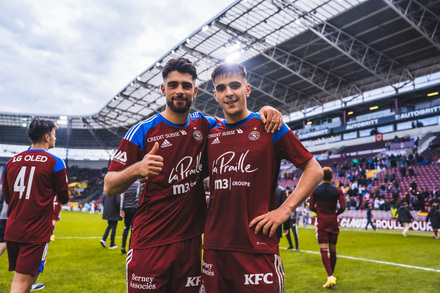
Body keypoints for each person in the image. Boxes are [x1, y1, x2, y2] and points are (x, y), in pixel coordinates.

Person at [103, 57, 283, 292]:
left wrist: (265, 111)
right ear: (163, 89)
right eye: (173, 85)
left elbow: (239, 118)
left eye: (186, 86)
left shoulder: (205, 125)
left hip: (190, 245)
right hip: (150, 243)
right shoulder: (142, 131)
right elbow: (109, 186)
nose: (180, 91)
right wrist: (138, 169)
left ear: (195, 91)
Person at [201, 63, 323, 292]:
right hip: (214, 249)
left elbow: (314, 170)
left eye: (235, 85)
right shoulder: (210, 134)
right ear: (215, 95)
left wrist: (285, 210)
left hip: (257, 247)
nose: (229, 92)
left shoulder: (270, 126)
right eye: (222, 88)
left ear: (247, 89)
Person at [2, 119, 69, 293]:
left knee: (29, 275)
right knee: (21, 283)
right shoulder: (55, 162)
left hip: (13, 229)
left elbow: (8, 198)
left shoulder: (11, 162)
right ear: (46, 137)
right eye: (54, 134)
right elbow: (64, 197)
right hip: (35, 232)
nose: (55, 138)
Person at [309, 167, 346, 289]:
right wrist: (335, 214)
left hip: (322, 222)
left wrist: (319, 211)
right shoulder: (338, 190)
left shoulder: (316, 190)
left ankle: (330, 276)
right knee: (333, 250)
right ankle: (331, 276)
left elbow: (310, 207)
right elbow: (343, 207)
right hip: (333, 221)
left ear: (321, 176)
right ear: (331, 177)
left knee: (323, 250)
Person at [120, 181, 141, 254]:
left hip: (126, 208)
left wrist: (121, 209)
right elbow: (138, 196)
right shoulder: (138, 184)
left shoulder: (126, 184)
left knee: (126, 227)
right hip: (134, 208)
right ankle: (130, 248)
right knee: (133, 228)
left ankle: (123, 246)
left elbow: (122, 198)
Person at [275, 185, 294, 250]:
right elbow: (285, 210)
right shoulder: (281, 190)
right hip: (276, 223)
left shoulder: (262, 188)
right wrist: (286, 227)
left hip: (262, 221)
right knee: (274, 248)